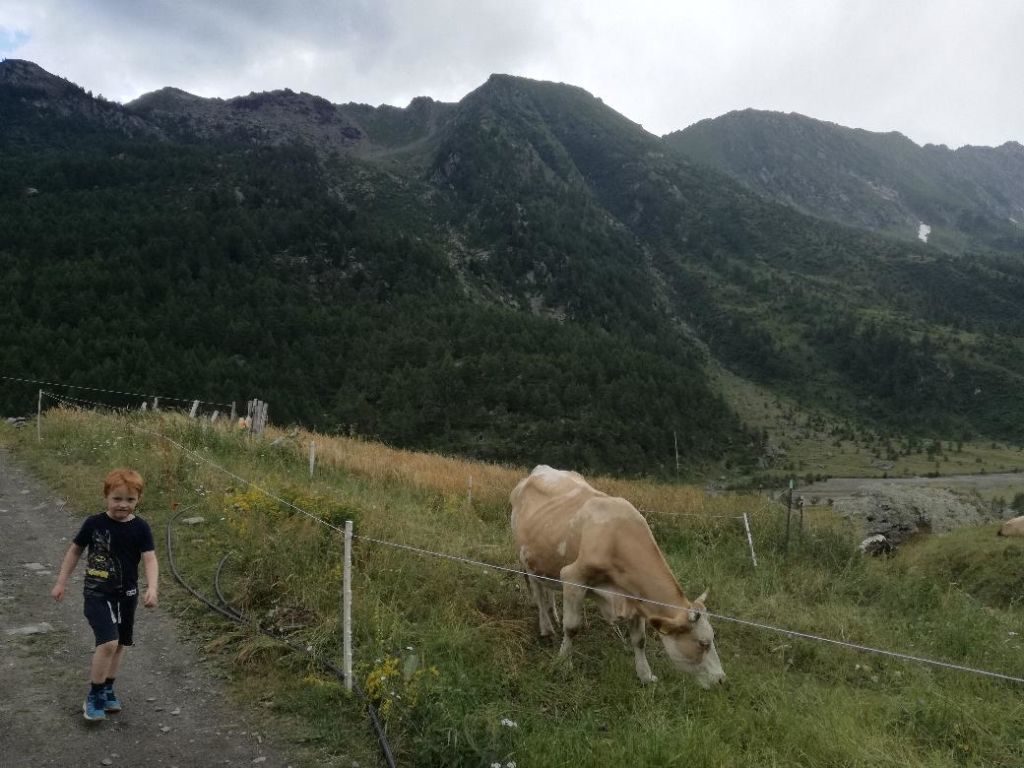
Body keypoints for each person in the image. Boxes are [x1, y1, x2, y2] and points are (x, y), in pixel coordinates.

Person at [51, 468, 159, 721]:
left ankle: (108, 688)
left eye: (130, 500)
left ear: (138, 499)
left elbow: (150, 559)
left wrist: (152, 587)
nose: (123, 505)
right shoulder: (94, 523)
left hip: (127, 595)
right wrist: (61, 582)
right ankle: (94, 694)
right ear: (106, 496)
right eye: (117, 499)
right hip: (97, 594)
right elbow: (75, 551)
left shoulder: (141, 528)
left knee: (120, 644)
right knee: (108, 643)